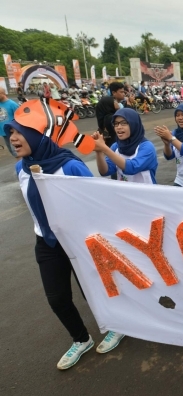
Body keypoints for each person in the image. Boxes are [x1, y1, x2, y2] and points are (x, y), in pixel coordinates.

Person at [6, 99, 122, 369]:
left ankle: (117, 325)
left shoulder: (69, 167)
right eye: (10, 132)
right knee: (57, 298)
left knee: (94, 290)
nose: (12, 138)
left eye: (18, 132)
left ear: (37, 135)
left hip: (77, 241)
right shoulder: (20, 169)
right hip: (45, 243)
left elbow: (96, 203)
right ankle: (81, 340)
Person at [93, 108, 158, 184]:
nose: (119, 127)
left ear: (134, 124)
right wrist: (99, 152)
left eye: (124, 123)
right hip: (124, 194)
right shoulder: (116, 146)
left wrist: (104, 148)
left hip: (145, 194)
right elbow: (105, 171)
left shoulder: (147, 147)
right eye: (116, 123)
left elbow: (132, 168)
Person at [0, 87, 20, 159]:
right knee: (12, 152)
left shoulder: (12, 104)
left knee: (16, 151)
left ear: (3, 94)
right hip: (3, 132)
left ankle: (20, 167)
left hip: (12, 132)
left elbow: (19, 117)